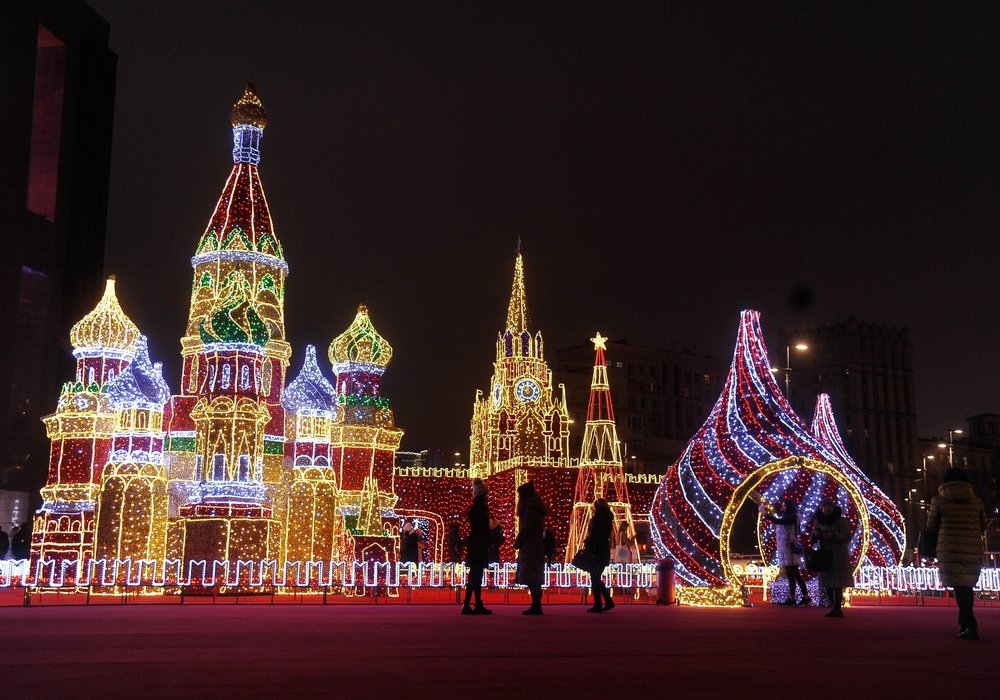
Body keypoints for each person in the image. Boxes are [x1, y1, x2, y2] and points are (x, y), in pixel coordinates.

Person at [927, 467, 987, 640]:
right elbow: (983, 525)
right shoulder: (976, 501)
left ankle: (969, 624)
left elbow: (931, 526)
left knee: (959, 585)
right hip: (972, 545)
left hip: (949, 547)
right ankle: (964, 624)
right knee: (966, 585)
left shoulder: (938, 500)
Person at [760, 499, 809, 606]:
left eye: (784, 506)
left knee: (795, 574)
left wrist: (765, 514)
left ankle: (805, 597)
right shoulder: (789, 517)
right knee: (791, 575)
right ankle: (794, 598)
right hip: (786, 550)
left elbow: (779, 522)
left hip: (790, 550)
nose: (782, 508)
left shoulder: (791, 517)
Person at [811, 498, 852, 617]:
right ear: (821, 508)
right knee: (826, 581)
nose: (826, 509)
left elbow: (846, 536)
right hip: (824, 553)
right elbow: (813, 537)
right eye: (824, 506)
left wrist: (833, 535)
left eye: (829, 506)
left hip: (837, 553)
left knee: (837, 582)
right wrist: (816, 535)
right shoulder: (819, 520)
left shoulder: (841, 520)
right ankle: (833, 606)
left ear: (833, 507)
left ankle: (837, 608)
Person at [514, 480, 547, 615]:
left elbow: (526, 528)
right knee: (534, 575)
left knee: (531, 575)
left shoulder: (530, 509)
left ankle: (536, 604)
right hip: (535, 545)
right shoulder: (534, 507)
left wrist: (518, 542)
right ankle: (536, 602)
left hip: (530, 546)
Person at [462, 478, 492, 615]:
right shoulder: (480, 509)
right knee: (475, 575)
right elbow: (482, 528)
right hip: (478, 545)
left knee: (475, 575)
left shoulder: (478, 509)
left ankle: (473, 603)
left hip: (476, 544)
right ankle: (469, 604)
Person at [584, 498, 615, 613]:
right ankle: (603, 602)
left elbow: (593, 535)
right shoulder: (608, 519)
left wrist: (587, 543)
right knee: (595, 576)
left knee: (595, 577)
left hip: (596, 551)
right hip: (604, 550)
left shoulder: (596, 519)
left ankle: (603, 602)